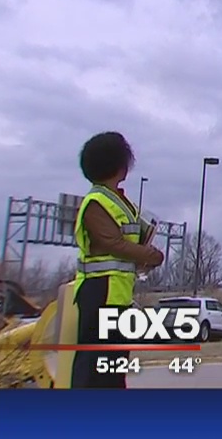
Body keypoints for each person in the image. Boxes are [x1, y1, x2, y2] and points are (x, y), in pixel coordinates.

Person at [71, 131, 164, 388]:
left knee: (113, 365)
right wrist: (152, 256)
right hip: (98, 292)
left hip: (117, 294)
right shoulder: (96, 202)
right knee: (93, 366)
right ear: (119, 165)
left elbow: (128, 241)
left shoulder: (121, 203)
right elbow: (113, 243)